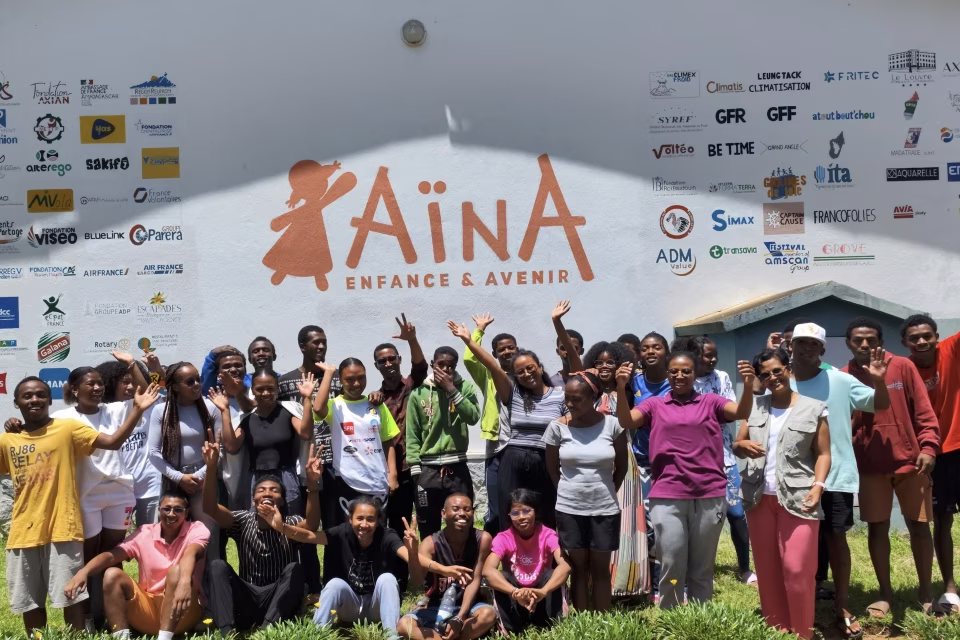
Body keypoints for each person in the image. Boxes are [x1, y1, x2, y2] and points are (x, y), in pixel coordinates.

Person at [0, 377, 159, 634]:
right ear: (16, 402)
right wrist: (12, 426)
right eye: (27, 396)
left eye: (41, 395)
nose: (35, 400)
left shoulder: (68, 428)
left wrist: (138, 409)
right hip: (23, 534)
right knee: (29, 601)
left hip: (63, 529)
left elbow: (112, 442)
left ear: (50, 400)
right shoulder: (7, 440)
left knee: (71, 596)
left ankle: (78, 636)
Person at [615, 352, 755, 609]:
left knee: (702, 567)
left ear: (694, 374)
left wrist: (747, 386)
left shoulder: (710, 402)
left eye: (686, 371)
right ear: (667, 374)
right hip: (667, 493)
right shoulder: (655, 405)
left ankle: (699, 619)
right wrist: (621, 387)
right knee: (672, 563)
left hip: (709, 493)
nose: (680, 376)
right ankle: (672, 619)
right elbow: (626, 420)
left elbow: (741, 411)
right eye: (674, 371)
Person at [789, 322, 889, 638]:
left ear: (822, 349)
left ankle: (842, 605)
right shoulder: (781, 384)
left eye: (812, 344)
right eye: (800, 343)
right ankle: (799, 602)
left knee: (836, 537)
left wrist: (879, 381)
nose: (806, 349)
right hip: (794, 479)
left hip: (835, 476)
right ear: (791, 347)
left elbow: (880, 404)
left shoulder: (840, 380)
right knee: (799, 544)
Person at [842, 317, 939, 618]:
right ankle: (885, 594)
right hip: (870, 466)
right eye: (858, 340)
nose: (865, 345)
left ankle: (926, 592)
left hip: (911, 463)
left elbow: (923, 410)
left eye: (871, 339)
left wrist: (929, 446)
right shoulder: (843, 376)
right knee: (877, 528)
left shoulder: (903, 366)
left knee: (920, 527)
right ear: (848, 344)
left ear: (881, 341)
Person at [734, 348, 831, 640]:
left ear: (788, 369)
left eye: (777, 371)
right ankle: (777, 630)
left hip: (800, 498)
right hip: (758, 498)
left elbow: (824, 453)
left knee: (797, 569)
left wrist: (818, 486)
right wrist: (742, 446)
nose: (772, 377)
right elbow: (738, 443)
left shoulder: (814, 407)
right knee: (767, 569)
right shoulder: (754, 407)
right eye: (765, 374)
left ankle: (803, 633)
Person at [50, 362, 148, 629]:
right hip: (85, 496)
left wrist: (131, 363)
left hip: (119, 494)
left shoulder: (115, 409)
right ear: (74, 389)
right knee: (85, 560)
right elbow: (37, 431)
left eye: (99, 383)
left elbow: (143, 391)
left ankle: (113, 616)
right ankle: (86, 618)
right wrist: (15, 425)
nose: (97, 388)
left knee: (110, 557)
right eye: (90, 383)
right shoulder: (62, 418)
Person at [450, 318, 566, 530]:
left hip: (545, 460)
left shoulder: (559, 396)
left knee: (545, 514)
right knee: (509, 513)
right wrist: (469, 340)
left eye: (530, 368)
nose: (526, 374)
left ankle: (546, 552)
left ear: (540, 368)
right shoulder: (513, 394)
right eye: (520, 372)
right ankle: (508, 551)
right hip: (513, 460)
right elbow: (492, 366)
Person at [201, 430, 319, 634]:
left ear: (282, 501)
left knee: (295, 569)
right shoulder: (242, 521)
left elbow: (312, 526)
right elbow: (210, 508)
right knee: (217, 566)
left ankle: (267, 630)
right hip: (247, 596)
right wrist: (211, 468)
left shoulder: (290, 522)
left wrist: (313, 486)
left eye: (274, 490)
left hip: (278, 600)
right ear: (253, 500)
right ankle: (227, 632)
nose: (267, 493)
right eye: (261, 490)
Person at [63, 489, 210, 639]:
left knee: (177, 571)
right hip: (147, 610)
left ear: (186, 513)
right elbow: (112, 556)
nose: (171, 514)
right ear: (159, 510)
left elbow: (191, 553)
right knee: (111, 574)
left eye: (178, 510)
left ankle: (165, 637)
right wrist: (84, 571)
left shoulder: (196, 529)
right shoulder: (145, 533)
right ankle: (122, 636)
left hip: (182, 612)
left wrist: (185, 582)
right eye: (166, 509)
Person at [265, 495, 420, 637]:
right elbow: (309, 536)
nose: (364, 524)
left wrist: (413, 551)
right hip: (349, 607)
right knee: (334, 584)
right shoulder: (341, 532)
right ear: (350, 519)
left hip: (378, 609)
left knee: (388, 579)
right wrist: (281, 527)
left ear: (378, 520)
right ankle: (316, 634)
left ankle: (392, 636)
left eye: (370, 519)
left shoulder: (387, 536)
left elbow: (410, 560)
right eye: (359, 518)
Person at [673, 335, 756, 586]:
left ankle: (745, 568)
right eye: (707, 355)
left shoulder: (721, 377)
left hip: (722, 455)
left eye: (715, 355)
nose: (713, 360)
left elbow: (728, 413)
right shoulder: (682, 379)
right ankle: (697, 570)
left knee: (736, 513)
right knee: (697, 518)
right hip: (690, 459)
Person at [544, 372, 627, 612]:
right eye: (567, 398)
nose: (570, 404)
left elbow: (621, 467)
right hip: (569, 508)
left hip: (604, 508)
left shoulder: (613, 425)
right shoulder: (557, 427)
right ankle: (582, 622)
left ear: (593, 397)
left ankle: (602, 620)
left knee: (600, 569)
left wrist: (605, 492)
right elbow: (552, 469)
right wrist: (568, 493)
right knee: (578, 568)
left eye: (577, 399)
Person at [900, 314, 960, 614]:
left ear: (937, 336)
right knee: (942, 521)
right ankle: (949, 587)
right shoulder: (904, 368)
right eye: (914, 338)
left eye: (927, 336)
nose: (922, 341)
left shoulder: (951, 350)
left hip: (959, 446)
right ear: (905, 342)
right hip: (931, 455)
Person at [148, 362, 233, 561]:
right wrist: (179, 478)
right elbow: (153, 453)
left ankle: (211, 579)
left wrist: (200, 475)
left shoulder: (210, 408)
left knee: (208, 535)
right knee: (171, 534)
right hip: (173, 479)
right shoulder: (161, 411)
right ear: (175, 386)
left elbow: (219, 449)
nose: (196, 385)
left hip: (204, 479)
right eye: (189, 382)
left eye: (198, 380)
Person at [314, 358, 400, 525]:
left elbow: (387, 441)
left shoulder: (377, 405)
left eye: (361, 377)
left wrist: (393, 474)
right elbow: (317, 408)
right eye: (349, 379)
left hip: (377, 482)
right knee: (349, 534)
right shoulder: (334, 406)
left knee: (377, 532)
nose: (356, 383)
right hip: (346, 482)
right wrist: (329, 374)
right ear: (340, 380)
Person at [406, 347, 481, 537]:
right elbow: (413, 433)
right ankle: (431, 557)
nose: (446, 369)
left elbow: (473, 417)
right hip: (428, 470)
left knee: (461, 522)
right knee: (427, 524)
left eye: (451, 366)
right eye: (441, 364)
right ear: (433, 364)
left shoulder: (465, 388)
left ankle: (460, 555)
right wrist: (415, 468)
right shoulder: (419, 393)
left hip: (457, 468)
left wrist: (452, 390)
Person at [400, 493, 496, 640]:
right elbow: (417, 580)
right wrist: (413, 553)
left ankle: (448, 634)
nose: (462, 513)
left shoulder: (482, 539)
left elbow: (474, 580)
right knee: (403, 625)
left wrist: (459, 618)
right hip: (436, 606)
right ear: (443, 513)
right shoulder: (430, 543)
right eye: (455, 509)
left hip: (469, 606)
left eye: (467, 509)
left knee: (488, 615)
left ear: (473, 513)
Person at [222, 369, 314, 516]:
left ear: (277, 389)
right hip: (256, 480)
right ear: (253, 391)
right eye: (260, 389)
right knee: (257, 521)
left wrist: (307, 398)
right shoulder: (246, 419)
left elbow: (306, 433)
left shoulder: (288, 412)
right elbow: (231, 447)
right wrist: (224, 411)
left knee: (291, 520)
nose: (265, 393)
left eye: (270, 388)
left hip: (286, 478)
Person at [278, 325, 343, 532]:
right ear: (302, 346)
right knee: (304, 525)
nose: (322, 346)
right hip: (301, 463)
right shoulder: (285, 382)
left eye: (324, 342)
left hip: (335, 462)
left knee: (335, 526)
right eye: (316, 342)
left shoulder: (338, 377)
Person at [369, 314, 429, 537]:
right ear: (376, 366)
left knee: (426, 520)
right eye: (382, 361)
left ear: (399, 359)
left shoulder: (413, 386)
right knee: (396, 523)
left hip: (420, 466)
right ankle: (398, 561)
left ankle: (426, 558)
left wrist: (412, 339)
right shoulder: (375, 400)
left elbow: (420, 366)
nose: (388, 364)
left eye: (391, 359)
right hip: (395, 471)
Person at [482, 489, 571, 635]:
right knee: (502, 576)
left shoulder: (547, 534)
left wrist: (543, 591)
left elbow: (565, 566)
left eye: (527, 511)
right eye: (515, 513)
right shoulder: (504, 538)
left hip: (541, 597)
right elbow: (487, 570)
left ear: (535, 512)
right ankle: (510, 629)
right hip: (516, 599)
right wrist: (515, 592)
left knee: (552, 574)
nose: (521, 517)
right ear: (509, 516)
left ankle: (556, 624)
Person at [624, 332, 672, 599]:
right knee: (649, 527)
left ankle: (674, 582)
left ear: (666, 351)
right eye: (645, 348)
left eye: (656, 347)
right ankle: (651, 584)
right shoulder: (634, 382)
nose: (651, 351)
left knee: (669, 525)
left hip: (672, 465)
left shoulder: (677, 381)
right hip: (642, 463)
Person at [462, 312, 518, 532]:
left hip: (520, 446)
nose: (507, 351)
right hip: (496, 447)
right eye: (501, 349)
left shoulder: (526, 375)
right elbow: (469, 359)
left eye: (511, 347)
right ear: (494, 353)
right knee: (495, 508)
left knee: (520, 504)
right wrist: (479, 331)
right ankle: (494, 549)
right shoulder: (488, 376)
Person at [97, 358, 160, 527]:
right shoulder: (101, 412)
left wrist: (132, 364)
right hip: (116, 490)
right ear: (110, 384)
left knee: (150, 536)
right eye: (125, 382)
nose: (131, 387)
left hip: (150, 488)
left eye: (134, 382)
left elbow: (146, 391)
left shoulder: (147, 408)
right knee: (117, 537)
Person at [581, 340, 634, 414]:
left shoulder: (626, 393)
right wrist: (590, 380)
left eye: (610, 362)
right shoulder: (589, 391)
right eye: (599, 363)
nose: (604, 366)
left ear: (618, 366)